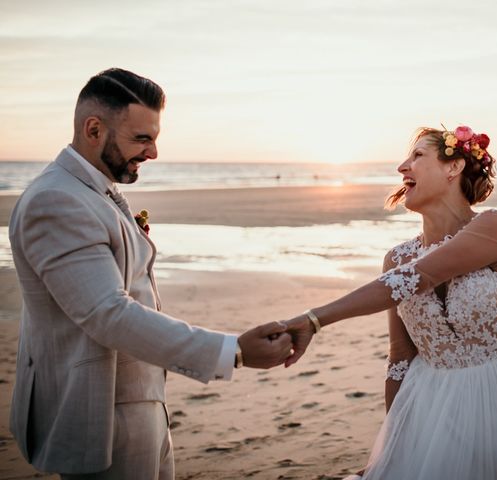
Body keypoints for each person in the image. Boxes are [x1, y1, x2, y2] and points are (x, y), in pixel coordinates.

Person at [8, 68, 293, 480]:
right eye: (142, 139)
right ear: (93, 129)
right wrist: (234, 351)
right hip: (103, 413)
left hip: (143, 400)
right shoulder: (56, 200)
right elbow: (108, 313)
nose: (154, 153)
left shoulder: (91, 191)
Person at [284, 126, 497, 479]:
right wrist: (394, 440)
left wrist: (313, 320)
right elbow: (400, 359)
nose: (402, 166)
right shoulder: (396, 258)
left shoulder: (496, 227)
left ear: (454, 167)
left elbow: (416, 278)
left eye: (417, 156)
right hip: (428, 403)